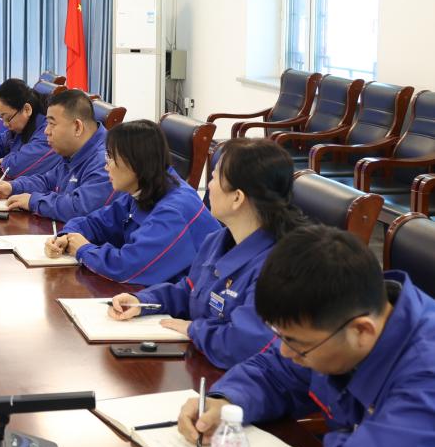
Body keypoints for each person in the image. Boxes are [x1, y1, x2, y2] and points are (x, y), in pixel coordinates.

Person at [179, 226, 435, 447]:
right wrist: (226, 402)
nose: (285, 351)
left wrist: (347, 438)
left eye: (297, 344)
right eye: (281, 336)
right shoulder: (342, 322)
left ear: (362, 331)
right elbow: (273, 371)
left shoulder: (426, 376)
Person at [108, 139, 305, 367]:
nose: (209, 186)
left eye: (214, 177)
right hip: (203, 362)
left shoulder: (278, 269)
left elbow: (243, 344)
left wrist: (194, 329)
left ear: (237, 198)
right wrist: (143, 301)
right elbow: (190, 290)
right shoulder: (217, 240)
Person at [47, 120, 220, 286]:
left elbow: (128, 267)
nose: (106, 166)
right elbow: (98, 223)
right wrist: (67, 236)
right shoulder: (145, 188)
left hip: (195, 299)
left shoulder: (174, 211)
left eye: (110, 157)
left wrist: (83, 249)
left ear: (136, 162)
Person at [0, 89, 111, 222]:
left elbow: (80, 208)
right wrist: (12, 187)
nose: (46, 131)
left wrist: (33, 201)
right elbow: (47, 181)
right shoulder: (74, 150)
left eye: (52, 124)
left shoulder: (106, 160)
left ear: (77, 127)